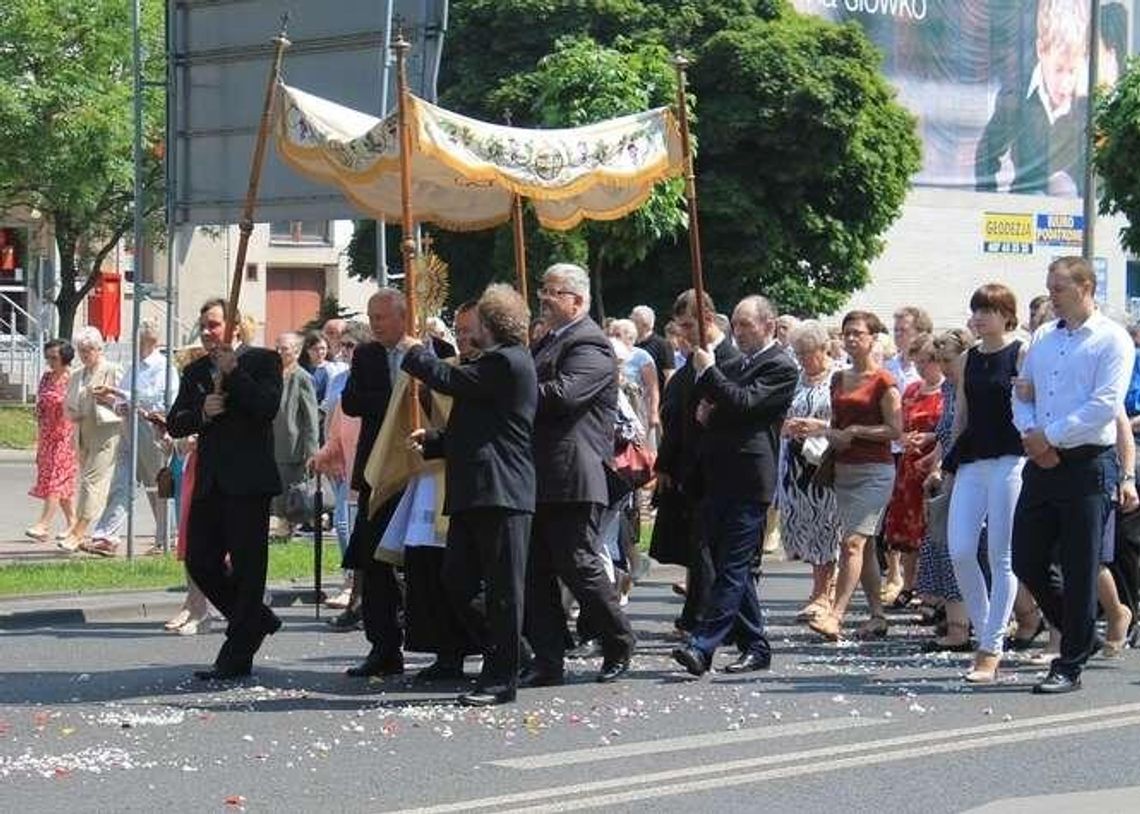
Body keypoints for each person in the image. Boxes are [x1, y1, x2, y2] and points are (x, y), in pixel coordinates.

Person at [401, 283, 537, 706]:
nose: (467, 332)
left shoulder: (507, 362)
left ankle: (501, 678)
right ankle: (516, 652)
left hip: (501, 489)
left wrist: (417, 353)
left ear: (491, 324)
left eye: (474, 323)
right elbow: (480, 426)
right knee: (456, 580)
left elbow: (449, 378)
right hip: (475, 488)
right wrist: (439, 441)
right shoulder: (492, 365)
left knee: (502, 589)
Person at [1011, 257, 1134, 693]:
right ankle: (1082, 633)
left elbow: (1104, 405)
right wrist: (1031, 433)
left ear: (1085, 287)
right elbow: (1021, 391)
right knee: (1025, 555)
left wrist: (1050, 436)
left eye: (1059, 287)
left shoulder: (1112, 339)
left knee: (1081, 566)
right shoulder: (1043, 337)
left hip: (1086, 463)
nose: (1052, 295)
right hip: (1042, 462)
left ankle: (1070, 663)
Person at [523, 263, 636, 686]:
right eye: (543, 289)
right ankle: (549, 657)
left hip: (572, 473)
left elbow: (565, 395)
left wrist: (514, 390)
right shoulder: (545, 341)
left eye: (553, 292)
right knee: (534, 570)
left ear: (577, 300)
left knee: (578, 564)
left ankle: (618, 638)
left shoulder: (589, 343)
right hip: (537, 473)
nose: (544, 298)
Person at [671, 296, 797, 675]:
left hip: (749, 478)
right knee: (730, 564)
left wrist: (710, 373)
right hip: (720, 474)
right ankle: (756, 644)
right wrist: (707, 410)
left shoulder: (780, 366)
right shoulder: (742, 363)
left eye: (746, 325)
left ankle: (702, 644)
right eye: (737, 325)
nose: (738, 332)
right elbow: (726, 405)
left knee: (733, 566)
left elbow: (744, 403)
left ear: (769, 325)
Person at [167, 298, 285, 680]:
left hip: (249, 483)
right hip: (211, 482)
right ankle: (255, 619)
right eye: (203, 325)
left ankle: (236, 653)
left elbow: (266, 408)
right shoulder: (196, 370)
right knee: (200, 560)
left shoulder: (264, 361)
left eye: (214, 324)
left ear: (235, 326)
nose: (207, 331)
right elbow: (176, 423)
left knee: (249, 570)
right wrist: (202, 411)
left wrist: (234, 374)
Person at [940, 285, 1027, 683]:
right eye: (976, 310)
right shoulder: (967, 358)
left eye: (988, 310)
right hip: (974, 457)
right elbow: (961, 413)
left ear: (1006, 314)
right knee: (959, 549)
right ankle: (989, 629)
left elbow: (1031, 404)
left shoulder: (1022, 352)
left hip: (1011, 457)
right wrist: (949, 462)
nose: (979, 317)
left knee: (1000, 554)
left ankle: (990, 647)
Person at [808, 311, 902, 641]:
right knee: (864, 543)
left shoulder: (884, 381)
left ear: (873, 338)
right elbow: (837, 427)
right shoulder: (837, 378)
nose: (851, 339)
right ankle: (877, 614)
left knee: (852, 544)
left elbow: (895, 430)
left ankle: (835, 614)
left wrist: (858, 430)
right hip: (844, 469)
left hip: (875, 471)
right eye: (846, 333)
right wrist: (816, 429)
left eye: (858, 333)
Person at [652, 289, 741, 636]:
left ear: (706, 316)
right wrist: (665, 463)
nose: (685, 333)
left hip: (719, 467)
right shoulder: (692, 359)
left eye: (690, 324)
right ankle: (703, 615)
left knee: (712, 548)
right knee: (698, 547)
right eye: (680, 326)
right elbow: (676, 416)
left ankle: (705, 618)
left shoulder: (729, 359)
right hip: (689, 467)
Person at [339, 290, 414, 678]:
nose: (376, 323)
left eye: (382, 316)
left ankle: (439, 644)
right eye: (372, 316)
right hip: (378, 467)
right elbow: (351, 401)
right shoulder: (367, 355)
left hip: (421, 467)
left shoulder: (431, 348)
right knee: (374, 559)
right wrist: (397, 397)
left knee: (423, 561)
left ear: (404, 315)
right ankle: (383, 647)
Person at [81, 319, 179, 557]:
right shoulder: (134, 367)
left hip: (152, 430)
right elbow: (125, 400)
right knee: (121, 483)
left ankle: (168, 538)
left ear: (149, 340)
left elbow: (159, 399)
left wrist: (118, 393)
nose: (134, 342)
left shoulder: (164, 368)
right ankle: (106, 536)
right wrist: (112, 401)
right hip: (129, 428)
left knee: (158, 486)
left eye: (138, 337)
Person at [975, 0, 1089, 195]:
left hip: (1072, 215)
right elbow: (986, 155)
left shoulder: (1086, 104)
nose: (1065, 85)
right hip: (1026, 210)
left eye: (1072, 71)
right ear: (1040, 51)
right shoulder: (1017, 94)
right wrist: (988, 204)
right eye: (1059, 69)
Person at [916, 328, 977, 653]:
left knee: (966, 551)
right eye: (939, 361)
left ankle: (964, 627)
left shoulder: (972, 387)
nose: (944, 368)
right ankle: (957, 624)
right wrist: (937, 464)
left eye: (949, 360)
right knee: (947, 549)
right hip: (951, 475)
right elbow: (946, 434)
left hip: (970, 474)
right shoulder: (951, 389)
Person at [778, 321, 842, 622]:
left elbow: (847, 422)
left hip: (826, 462)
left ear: (823, 348)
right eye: (798, 352)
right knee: (806, 525)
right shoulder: (795, 378)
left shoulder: (840, 376)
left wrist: (819, 427)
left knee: (827, 526)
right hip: (795, 462)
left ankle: (823, 595)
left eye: (807, 352)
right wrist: (787, 427)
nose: (802, 358)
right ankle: (818, 591)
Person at [882, 333, 944, 606]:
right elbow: (900, 424)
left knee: (930, 528)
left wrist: (930, 439)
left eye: (924, 362)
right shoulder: (911, 390)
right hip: (909, 464)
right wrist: (903, 436)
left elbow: (949, 429)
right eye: (916, 362)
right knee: (907, 530)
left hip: (933, 464)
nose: (919, 368)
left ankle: (931, 588)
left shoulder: (947, 391)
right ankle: (908, 584)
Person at [60, 327, 123, 553]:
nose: (85, 354)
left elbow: (125, 401)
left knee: (91, 482)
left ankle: (78, 532)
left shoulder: (112, 370)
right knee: (93, 485)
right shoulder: (77, 374)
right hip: (83, 433)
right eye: (81, 350)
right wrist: (73, 411)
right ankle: (88, 530)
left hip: (107, 434)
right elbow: (68, 405)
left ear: (100, 349)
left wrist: (108, 398)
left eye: (89, 350)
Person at [26, 339, 77, 542]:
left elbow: (77, 407)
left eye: (54, 358)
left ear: (65, 358)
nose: (50, 362)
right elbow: (40, 408)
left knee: (56, 481)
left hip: (66, 437)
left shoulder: (73, 378)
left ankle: (43, 524)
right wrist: (39, 441)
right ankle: (73, 523)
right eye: (47, 357)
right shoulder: (46, 378)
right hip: (47, 437)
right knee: (57, 482)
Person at [269, 331, 319, 537]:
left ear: (297, 352)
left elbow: (311, 417)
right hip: (272, 441)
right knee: (276, 487)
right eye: (277, 348)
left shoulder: (302, 378)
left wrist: (311, 450)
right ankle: (281, 524)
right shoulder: (273, 374)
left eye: (284, 349)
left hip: (293, 445)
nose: (280, 352)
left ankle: (288, 525)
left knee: (290, 488)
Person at [606, 318, 660, 447]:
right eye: (612, 334)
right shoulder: (608, 355)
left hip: (638, 408)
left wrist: (653, 413)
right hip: (616, 411)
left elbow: (653, 388)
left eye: (618, 334)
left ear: (630, 337)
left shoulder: (642, 356)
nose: (613, 338)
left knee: (642, 449)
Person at [630, 304, 675, 397]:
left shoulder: (662, 345)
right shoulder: (630, 345)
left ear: (645, 325)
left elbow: (669, 376)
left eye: (633, 321)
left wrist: (666, 403)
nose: (630, 325)